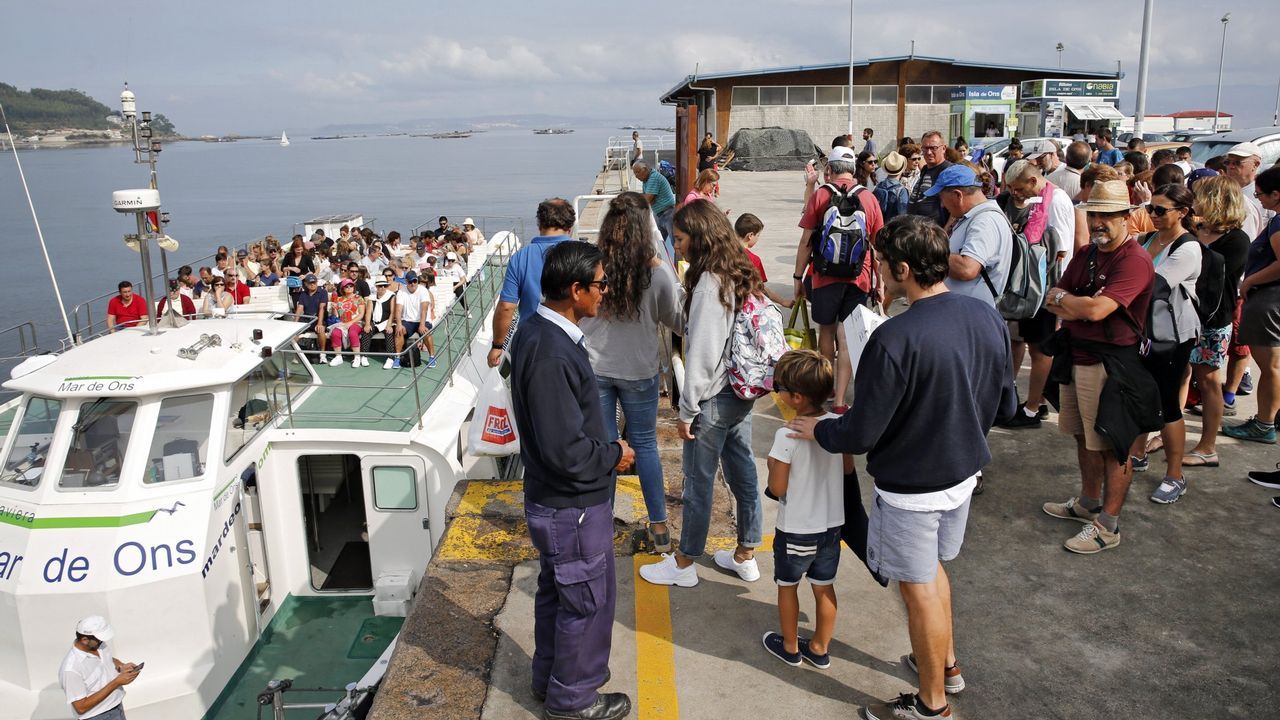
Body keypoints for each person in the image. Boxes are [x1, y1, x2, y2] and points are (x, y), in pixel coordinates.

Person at [786, 215, 1016, 720]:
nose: (879, 272)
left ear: (904, 269)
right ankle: (945, 665)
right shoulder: (985, 316)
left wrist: (819, 429)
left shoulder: (894, 338)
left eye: (884, 264)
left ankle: (931, 704)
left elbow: (862, 434)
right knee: (932, 575)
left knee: (918, 591)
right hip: (963, 473)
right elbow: (1005, 405)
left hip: (912, 486)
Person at [509, 240, 634, 720]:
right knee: (586, 603)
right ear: (576, 290)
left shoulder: (538, 333)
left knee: (558, 596)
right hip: (572, 507)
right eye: (600, 284)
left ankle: (550, 681)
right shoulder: (551, 353)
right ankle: (574, 700)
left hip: (557, 504)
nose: (605, 292)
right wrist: (613, 454)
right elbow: (566, 451)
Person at [639, 200, 766, 588]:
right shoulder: (737, 269)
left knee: (698, 481)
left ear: (699, 237)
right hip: (740, 391)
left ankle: (684, 562)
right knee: (743, 472)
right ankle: (746, 553)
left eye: (679, 239)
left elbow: (704, 351)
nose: (676, 246)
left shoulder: (710, 281)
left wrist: (687, 409)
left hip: (712, 397)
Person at [1042, 180, 1156, 554]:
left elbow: (1096, 309)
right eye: (1094, 214)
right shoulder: (1088, 253)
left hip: (1112, 364)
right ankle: (1089, 502)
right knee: (1081, 436)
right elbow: (1050, 297)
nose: (1098, 222)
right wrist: (1072, 300)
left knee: (1112, 445)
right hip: (1077, 354)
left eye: (1107, 215)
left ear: (1127, 217)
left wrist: (1071, 301)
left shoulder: (1134, 260)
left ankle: (1108, 525)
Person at [580, 192, 684, 554]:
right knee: (645, 447)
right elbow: (677, 320)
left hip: (596, 367)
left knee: (606, 447)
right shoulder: (655, 273)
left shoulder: (592, 267)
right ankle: (658, 527)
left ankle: (601, 522)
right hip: (639, 370)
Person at [761, 350, 848, 670]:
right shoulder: (837, 425)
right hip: (831, 528)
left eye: (778, 386)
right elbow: (847, 468)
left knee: (788, 586)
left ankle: (789, 646)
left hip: (797, 528)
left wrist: (773, 463)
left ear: (796, 397)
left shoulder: (787, 434)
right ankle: (820, 648)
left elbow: (779, 488)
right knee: (824, 588)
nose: (776, 391)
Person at [792, 145, 885, 414]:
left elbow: (806, 241)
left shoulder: (821, 195)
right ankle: (842, 401)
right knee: (847, 338)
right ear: (854, 170)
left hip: (824, 277)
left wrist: (798, 277)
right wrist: (879, 283)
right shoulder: (869, 198)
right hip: (860, 277)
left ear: (829, 170)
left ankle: (826, 387)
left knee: (827, 332)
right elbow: (877, 245)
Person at [1129, 184, 1202, 503]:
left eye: (1160, 210)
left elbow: (1151, 285)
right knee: (1140, 396)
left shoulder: (1188, 248)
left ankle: (1175, 475)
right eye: (1150, 209)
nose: (1153, 215)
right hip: (1145, 332)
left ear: (1183, 213)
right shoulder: (1148, 238)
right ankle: (1138, 454)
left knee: (1168, 405)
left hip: (1173, 337)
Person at [1000, 159, 1079, 428]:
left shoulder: (1056, 201)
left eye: (1018, 188)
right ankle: (1038, 401)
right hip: (1031, 287)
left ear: (1033, 181)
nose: (1015, 194)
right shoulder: (1036, 199)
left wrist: (1058, 297)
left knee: (1040, 349)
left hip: (1046, 289)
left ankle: (1033, 408)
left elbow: (1062, 251)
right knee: (1026, 343)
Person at [1184, 176, 1251, 464]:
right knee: (1181, 376)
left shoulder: (1237, 239)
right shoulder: (1197, 229)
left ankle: (1208, 446)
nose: (1194, 201)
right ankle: (1168, 434)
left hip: (1212, 318)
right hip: (1184, 314)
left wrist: (1192, 239)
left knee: (1209, 381)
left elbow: (1211, 270)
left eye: (1199, 196)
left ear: (1215, 200)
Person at [1224, 165, 1280, 446]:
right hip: (1269, 300)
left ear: (1276, 195)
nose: (1257, 199)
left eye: (1260, 194)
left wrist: (1250, 281)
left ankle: (1264, 423)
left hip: (1268, 300)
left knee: (1270, 367)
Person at [489, 199, 577, 367]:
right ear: (570, 227)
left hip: (533, 344)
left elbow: (506, 307)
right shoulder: (586, 254)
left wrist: (497, 345)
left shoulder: (521, 257)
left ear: (540, 225)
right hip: (573, 341)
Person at [928, 165, 1013, 307]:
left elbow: (967, 269)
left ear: (958, 195)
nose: (942, 205)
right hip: (965, 312)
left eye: (942, 198)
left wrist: (928, 251)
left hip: (972, 316)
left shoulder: (985, 221)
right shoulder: (976, 217)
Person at [60, 616, 139, 720]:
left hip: (117, 707)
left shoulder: (98, 645)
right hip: (98, 717)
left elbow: (106, 659)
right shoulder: (71, 669)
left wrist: (121, 666)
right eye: (100, 639)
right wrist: (117, 682)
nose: (103, 641)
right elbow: (80, 707)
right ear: (84, 640)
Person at [735, 213, 791, 308]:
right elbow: (761, 288)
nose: (758, 238)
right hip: (743, 307)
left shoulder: (725, 253)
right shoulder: (753, 259)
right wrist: (782, 301)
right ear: (750, 235)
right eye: (758, 235)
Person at [906, 131, 952, 225]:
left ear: (943, 148)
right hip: (917, 230)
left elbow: (955, 208)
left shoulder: (948, 171)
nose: (928, 152)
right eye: (925, 148)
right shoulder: (926, 169)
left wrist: (945, 232)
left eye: (933, 148)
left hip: (934, 233)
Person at [392, 270, 435, 369]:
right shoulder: (402, 291)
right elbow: (398, 310)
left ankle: (432, 357)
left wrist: (422, 324)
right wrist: (399, 324)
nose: (413, 284)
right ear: (406, 281)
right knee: (399, 331)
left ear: (417, 281)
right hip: (407, 321)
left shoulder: (423, 291)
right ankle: (397, 358)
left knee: (426, 331)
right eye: (410, 282)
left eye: (415, 281)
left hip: (423, 320)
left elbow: (424, 310)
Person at [633, 161, 677, 251]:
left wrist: (647, 198)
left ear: (644, 170)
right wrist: (648, 198)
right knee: (657, 242)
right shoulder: (646, 179)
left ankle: (679, 263)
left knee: (675, 243)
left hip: (668, 213)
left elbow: (647, 200)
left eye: (637, 173)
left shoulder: (653, 178)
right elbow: (648, 199)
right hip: (659, 213)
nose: (636, 176)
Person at [326, 278, 369, 367]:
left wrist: (350, 323)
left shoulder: (359, 298)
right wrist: (334, 308)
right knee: (335, 333)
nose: (349, 287)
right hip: (342, 323)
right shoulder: (339, 299)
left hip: (356, 322)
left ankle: (357, 357)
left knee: (353, 332)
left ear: (354, 287)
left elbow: (361, 314)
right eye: (346, 286)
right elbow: (337, 316)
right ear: (343, 289)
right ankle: (338, 357)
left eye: (351, 285)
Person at [294, 274, 329, 363]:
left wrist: (320, 323)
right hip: (307, 318)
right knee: (294, 333)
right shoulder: (303, 294)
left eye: (314, 282)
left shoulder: (323, 292)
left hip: (319, 318)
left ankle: (322, 354)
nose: (312, 284)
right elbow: (300, 308)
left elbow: (322, 308)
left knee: (320, 330)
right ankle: (297, 355)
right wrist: (294, 324)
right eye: (310, 283)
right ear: (306, 284)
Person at [873, 151, 910, 222]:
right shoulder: (901, 190)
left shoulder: (878, 186)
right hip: (894, 228)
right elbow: (903, 216)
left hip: (880, 226)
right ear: (902, 170)